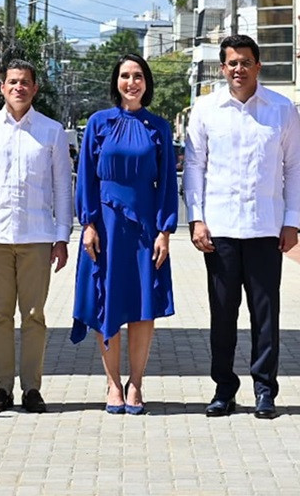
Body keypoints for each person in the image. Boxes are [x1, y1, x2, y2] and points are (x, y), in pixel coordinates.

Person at [183, 34, 300, 419]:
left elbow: (294, 168)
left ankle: (265, 390)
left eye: (245, 62)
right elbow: (195, 168)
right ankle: (224, 389)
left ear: (258, 66)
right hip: (219, 229)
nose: (239, 69)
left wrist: (291, 221)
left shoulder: (282, 109)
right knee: (223, 314)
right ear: (223, 68)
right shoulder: (205, 109)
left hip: (266, 228)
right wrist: (196, 218)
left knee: (265, 315)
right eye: (232, 63)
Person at [0, 59, 73, 413]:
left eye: (25, 82)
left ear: (35, 88)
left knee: (34, 315)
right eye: (12, 82)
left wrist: (61, 236)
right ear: (2, 87)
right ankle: (2, 388)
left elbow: (61, 187)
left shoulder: (52, 131)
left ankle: (32, 388)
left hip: (37, 236)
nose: (18, 88)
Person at [71, 54, 178, 415]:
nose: (131, 82)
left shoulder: (159, 127)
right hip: (105, 226)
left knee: (142, 306)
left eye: (137, 76)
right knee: (108, 301)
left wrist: (165, 230)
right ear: (115, 81)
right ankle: (112, 383)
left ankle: (136, 382)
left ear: (147, 82)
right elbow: (86, 175)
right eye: (124, 76)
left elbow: (166, 184)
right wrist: (87, 223)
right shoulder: (98, 123)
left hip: (145, 227)